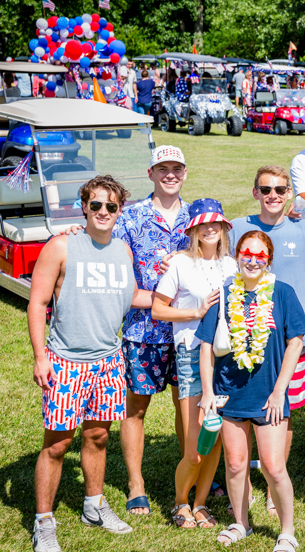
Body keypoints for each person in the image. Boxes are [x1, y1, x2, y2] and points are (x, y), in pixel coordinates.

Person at [28, 176, 137, 552]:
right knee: (57, 445)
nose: (103, 212)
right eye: (96, 205)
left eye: (111, 206)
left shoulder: (123, 250)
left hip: (109, 361)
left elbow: (130, 295)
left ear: (119, 211)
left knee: (98, 436)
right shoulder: (61, 246)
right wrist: (41, 357)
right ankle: (43, 521)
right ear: (84, 207)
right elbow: (38, 303)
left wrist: (183, 300)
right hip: (65, 362)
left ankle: (94, 504)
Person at [196, 231, 305, 550]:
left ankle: (287, 531)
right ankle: (240, 523)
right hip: (229, 392)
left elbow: (295, 342)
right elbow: (205, 346)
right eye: (247, 253)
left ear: (268, 260)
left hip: (269, 394)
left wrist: (279, 391)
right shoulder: (224, 293)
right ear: (237, 255)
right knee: (234, 463)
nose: (253, 260)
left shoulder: (282, 293)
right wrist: (207, 392)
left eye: (260, 255)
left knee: (273, 465)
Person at [229, 166, 305, 515]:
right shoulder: (237, 228)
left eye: (281, 190)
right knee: (243, 414)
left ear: (289, 194)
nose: (273, 196)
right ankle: (244, 484)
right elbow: (201, 244)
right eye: (266, 189)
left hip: (288, 344)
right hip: (244, 341)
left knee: (279, 415)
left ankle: (273, 484)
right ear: (255, 192)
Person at [114, 145, 192, 516]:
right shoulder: (129, 218)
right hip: (144, 329)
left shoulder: (196, 216)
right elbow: (122, 281)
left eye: (177, 168)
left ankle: (191, 473)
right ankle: (135, 483)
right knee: (137, 408)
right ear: (151, 173)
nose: (170, 175)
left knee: (188, 406)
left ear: (185, 172)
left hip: (189, 332)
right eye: (163, 168)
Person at [152, 198, 236, 528]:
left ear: (224, 228)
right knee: (194, 446)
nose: (210, 228)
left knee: (214, 437)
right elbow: (159, 309)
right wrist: (196, 313)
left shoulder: (232, 266)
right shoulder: (180, 265)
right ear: (194, 230)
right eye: (204, 224)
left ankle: (201, 504)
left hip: (226, 357)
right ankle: (180, 502)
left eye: (216, 223)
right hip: (190, 354)